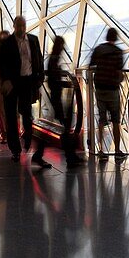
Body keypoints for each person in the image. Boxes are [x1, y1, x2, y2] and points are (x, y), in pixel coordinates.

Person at [0, 16, 47, 167]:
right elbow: (1, 63)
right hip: (12, 82)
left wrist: (39, 79)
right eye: (18, 26)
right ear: (14, 26)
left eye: (23, 26)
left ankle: (27, 140)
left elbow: (38, 58)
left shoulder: (33, 40)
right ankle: (15, 150)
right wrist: (6, 80)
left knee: (26, 113)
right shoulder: (6, 43)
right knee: (11, 116)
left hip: (27, 81)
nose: (21, 29)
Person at [89, 28, 126, 159]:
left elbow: (91, 64)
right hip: (112, 89)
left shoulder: (99, 49)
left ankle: (101, 150)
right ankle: (117, 150)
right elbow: (119, 72)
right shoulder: (118, 52)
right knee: (116, 120)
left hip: (99, 88)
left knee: (102, 120)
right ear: (116, 38)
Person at [47, 35, 82, 167]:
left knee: (66, 128)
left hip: (56, 98)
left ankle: (70, 156)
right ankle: (70, 157)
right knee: (66, 128)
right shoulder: (54, 60)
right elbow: (53, 80)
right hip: (57, 98)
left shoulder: (52, 59)